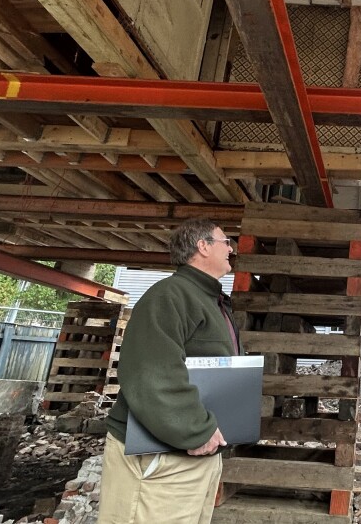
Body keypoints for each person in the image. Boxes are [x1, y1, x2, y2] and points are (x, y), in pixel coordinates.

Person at [98, 218, 239, 524]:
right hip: (162, 456)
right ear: (203, 246)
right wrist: (195, 430)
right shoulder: (170, 295)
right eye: (226, 241)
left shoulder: (209, 300)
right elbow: (152, 371)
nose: (232, 248)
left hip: (193, 451)